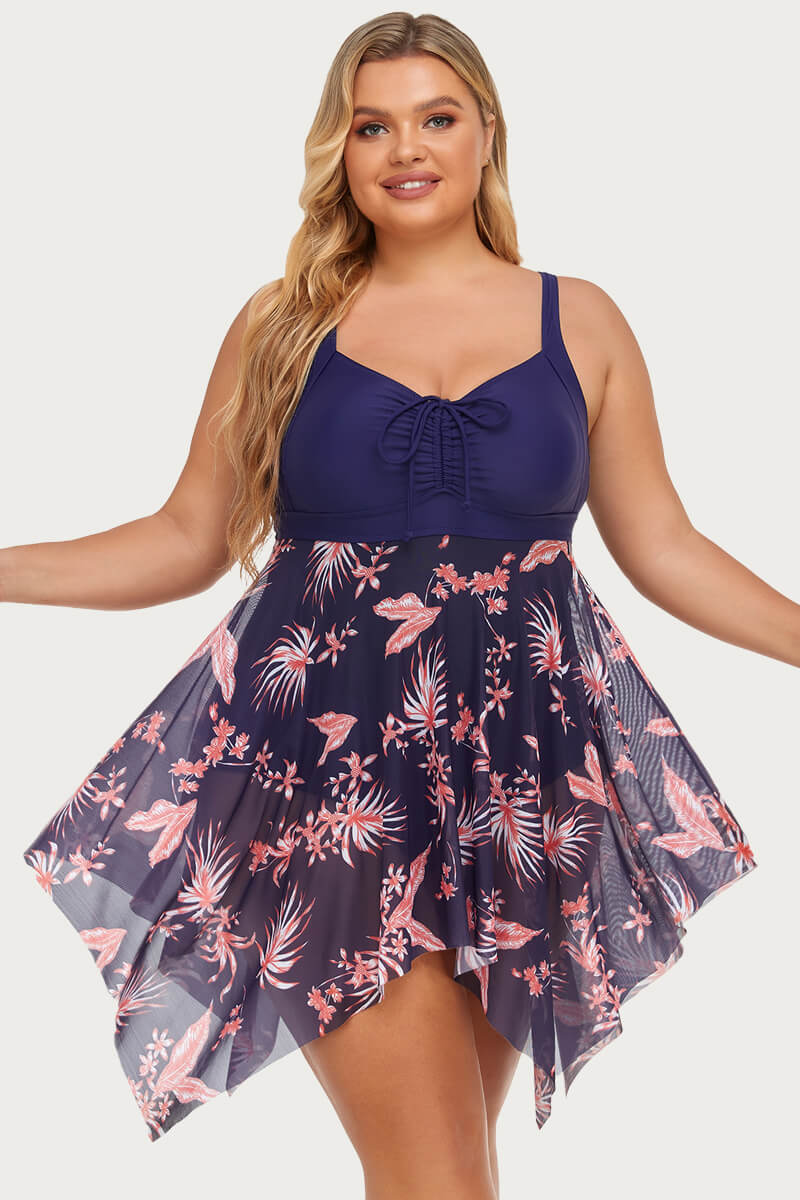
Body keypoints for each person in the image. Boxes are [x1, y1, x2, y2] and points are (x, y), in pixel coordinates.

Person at [7, 12, 798, 1199]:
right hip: (336, 782)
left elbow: (664, 547)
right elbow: (180, 541)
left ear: (486, 134)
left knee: (448, 1172)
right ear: (340, 149)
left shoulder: (577, 319)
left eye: (435, 118)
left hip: (524, 789)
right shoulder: (282, 324)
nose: (405, 148)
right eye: (371, 126)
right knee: (438, 1178)